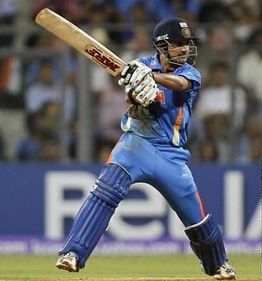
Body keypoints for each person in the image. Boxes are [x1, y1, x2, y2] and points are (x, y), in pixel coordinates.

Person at [55, 18, 236, 280]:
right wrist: (136, 93)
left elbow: (181, 85)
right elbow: (130, 99)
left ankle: (218, 264)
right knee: (105, 191)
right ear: (162, 46)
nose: (185, 49)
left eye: (187, 43)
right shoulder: (139, 66)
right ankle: (72, 253)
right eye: (178, 44)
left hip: (171, 155)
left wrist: (151, 78)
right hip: (135, 144)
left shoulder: (190, 73)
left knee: (196, 219)